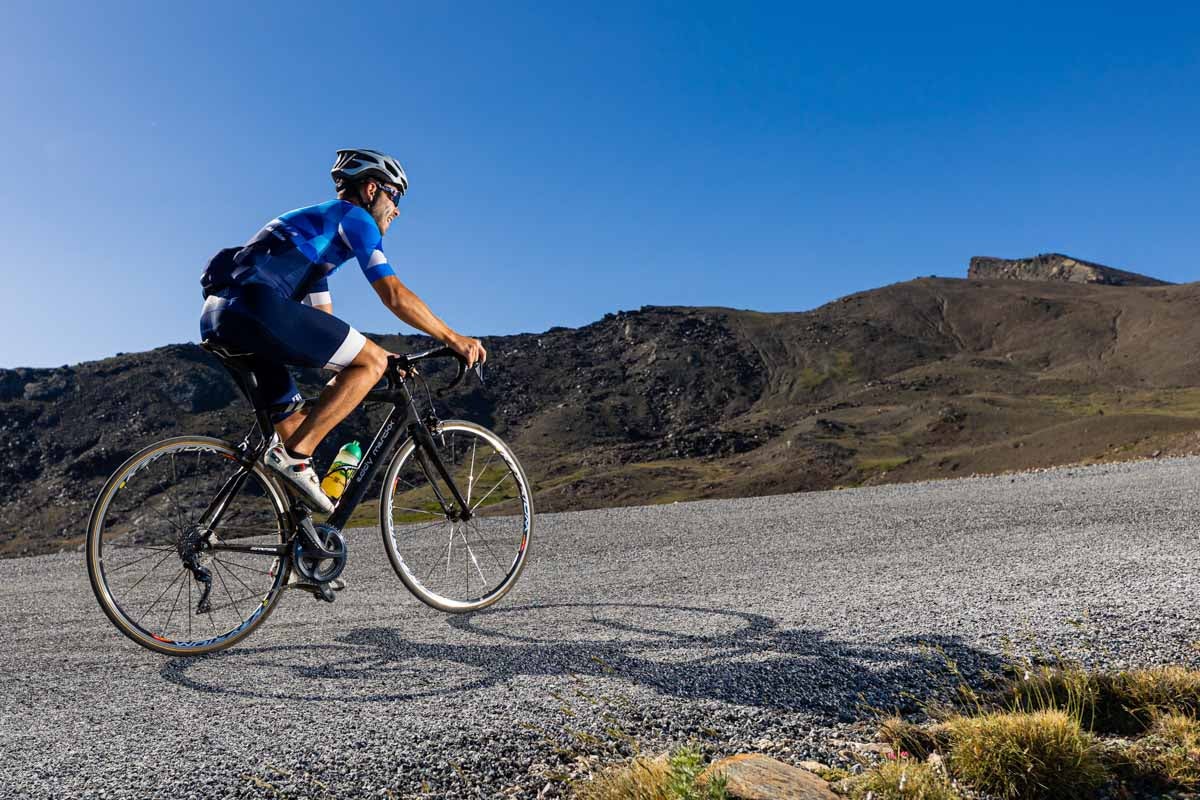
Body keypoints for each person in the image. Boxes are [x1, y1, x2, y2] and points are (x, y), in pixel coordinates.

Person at [199, 148, 486, 513]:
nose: (397, 209)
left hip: (219, 316)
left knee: (295, 430)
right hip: (256, 307)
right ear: (371, 189)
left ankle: (295, 551)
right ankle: (296, 458)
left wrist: (382, 359)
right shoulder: (355, 218)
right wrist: (452, 338)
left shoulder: (313, 241)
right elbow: (394, 295)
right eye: (394, 196)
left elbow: (325, 325)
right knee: (362, 371)